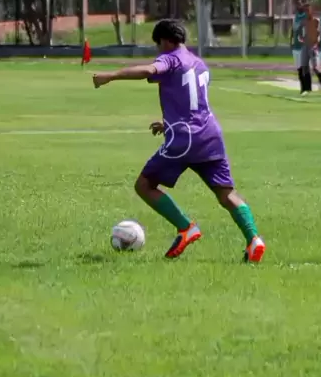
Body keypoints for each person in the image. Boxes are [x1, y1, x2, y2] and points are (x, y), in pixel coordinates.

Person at [92, 19, 266, 263]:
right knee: (227, 194)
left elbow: (149, 71)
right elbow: (193, 103)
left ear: (164, 41)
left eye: (158, 45)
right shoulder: (200, 64)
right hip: (210, 135)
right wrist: (168, 123)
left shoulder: (171, 58)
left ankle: (186, 227)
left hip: (184, 139)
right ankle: (254, 239)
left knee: (144, 185)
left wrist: (111, 76)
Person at [303, 3, 321, 93]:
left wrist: (317, 42)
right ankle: (307, 87)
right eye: (305, 10)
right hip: (306, 46)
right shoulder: (305, 22)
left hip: (314, 46)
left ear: (311, 11)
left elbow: (320, 33)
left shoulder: (316, 21)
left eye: (307, 10)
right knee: (305, 67)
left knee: (315, 67)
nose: (306, 12)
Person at [290, 0, 309, 94]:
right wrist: (291, 41)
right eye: (296, 4)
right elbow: (293, 29)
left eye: (300, 4)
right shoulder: (296, 16)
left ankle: (305, 87)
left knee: (303, 67)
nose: (298, 6)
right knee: (299, 68)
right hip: (296, 46)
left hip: (303, 46)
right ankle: (302, 87)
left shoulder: (306, 16)